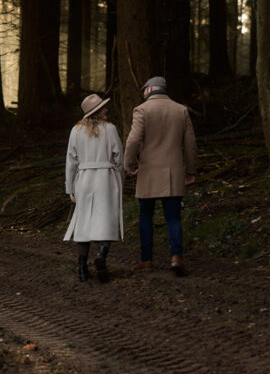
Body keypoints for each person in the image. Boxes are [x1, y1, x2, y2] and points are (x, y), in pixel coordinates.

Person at [124, 76, 197, 276]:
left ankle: (146, 260)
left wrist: (128, 163)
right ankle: (176, 257)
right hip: (173, 172)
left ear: (150, 89)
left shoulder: (142, 110)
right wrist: (190, 169)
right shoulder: (180, 110)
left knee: (145, 217)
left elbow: (133, 141)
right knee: (173, 217)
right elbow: (190, 143)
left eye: (144, 90)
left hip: (148, 171)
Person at [64, 93, 124, 283]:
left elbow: (71, 161)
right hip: (105, 179)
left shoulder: (75, 131)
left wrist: (70, 187)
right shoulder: (111, 129)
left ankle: (82, 269)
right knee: (105, 219)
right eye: (103, 107)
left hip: (84, 179)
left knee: (83, 224)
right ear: (97, 111)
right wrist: (119, 179)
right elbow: (119, 157)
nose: (106, 110)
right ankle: (101, 255)